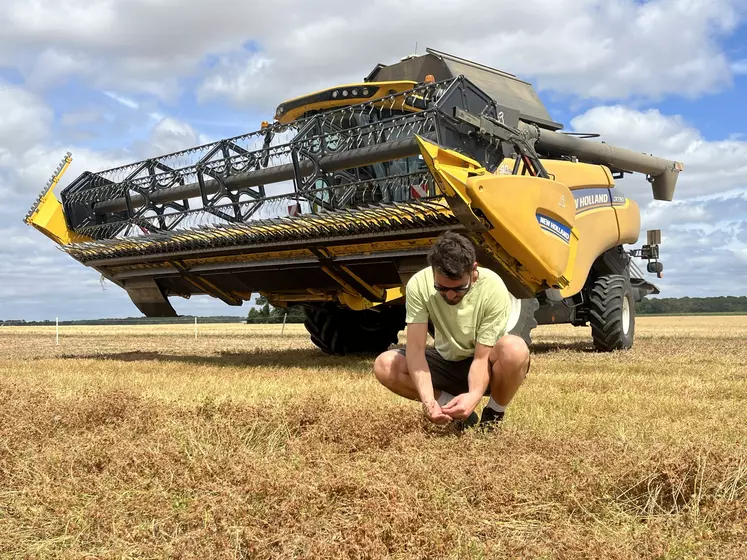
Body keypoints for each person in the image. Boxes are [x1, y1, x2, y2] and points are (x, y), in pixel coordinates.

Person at [373, 230, 531, 430]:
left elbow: (481, 359)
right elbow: (415, 349)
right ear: (433, 272)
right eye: (441, 288)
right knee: (385, 365)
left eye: (458, 289)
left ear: (474, 270)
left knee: (515, 350)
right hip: (447, 362)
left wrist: (473, 396)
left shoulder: (493, 287)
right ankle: (453, 411)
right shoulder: (418, 284)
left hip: (488, 367)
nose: (449, 295)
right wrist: (429, 401)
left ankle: (493, 416)